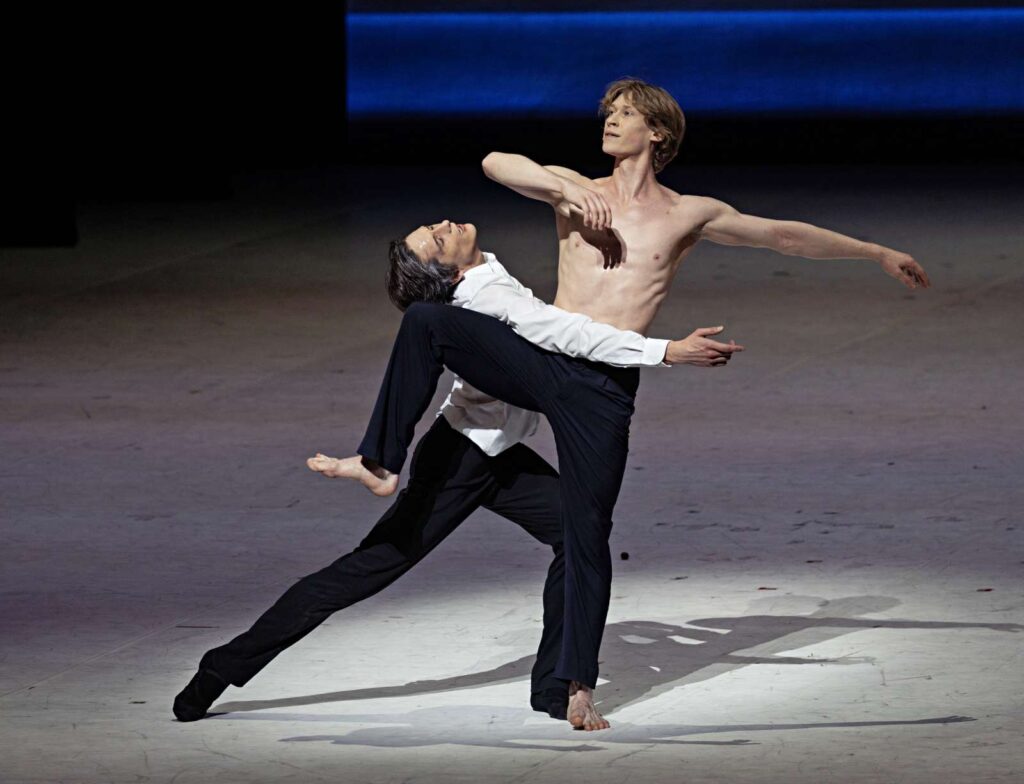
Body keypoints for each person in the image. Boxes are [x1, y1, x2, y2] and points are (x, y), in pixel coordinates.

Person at [316, 77, 930, 730]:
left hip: (606, 378)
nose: (610, 121)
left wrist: (875, 251)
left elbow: (780, 236)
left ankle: (575, 685)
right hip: (547, 361)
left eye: (626, 113)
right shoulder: (574, 189)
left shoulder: (688, 213)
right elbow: (496, 162)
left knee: (587, 531)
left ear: (657, 132)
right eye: (608, 112)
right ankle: (383, 462)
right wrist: (562, 188)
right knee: (439, 362)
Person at [172, 219, 739, 730]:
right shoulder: (478, 295)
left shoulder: (488, 278)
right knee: (370, 567)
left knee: (575, 537)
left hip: (501, 456)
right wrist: (664, 351)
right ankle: (223, 666)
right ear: (449, 274)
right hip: (457, 458)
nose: (444, 224)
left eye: (434, 228)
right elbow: (560, 332)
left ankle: (552, 687)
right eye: (436, 240)